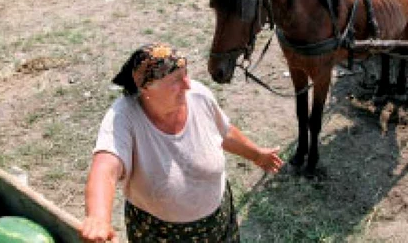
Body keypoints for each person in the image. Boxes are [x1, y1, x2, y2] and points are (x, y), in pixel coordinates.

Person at [80, 43, 283, 242]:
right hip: (159, 234)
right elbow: (105, 168)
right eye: (176, 79)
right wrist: (98, 217)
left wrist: (257, 154)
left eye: (186, 74)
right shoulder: (124, 116)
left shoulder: (198, 95)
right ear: (147, 87)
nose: (187, 84)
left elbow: (223, 132)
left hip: (218, 220)